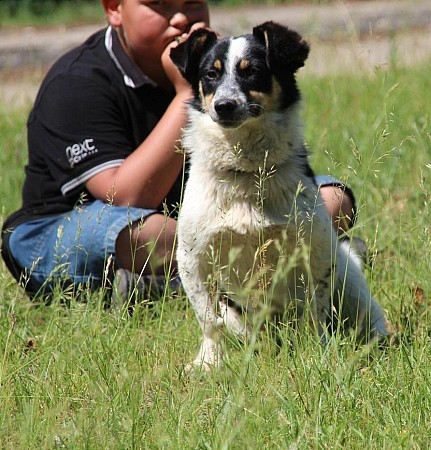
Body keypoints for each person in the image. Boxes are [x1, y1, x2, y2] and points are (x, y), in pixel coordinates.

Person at [1, 0, 357, 304]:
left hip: (189, 211)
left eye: (192, 3)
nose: (180, 18)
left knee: (330, 200)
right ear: (114, 8)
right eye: (159, 4)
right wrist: (185, 92)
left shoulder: (218, 62)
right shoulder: (75, 83)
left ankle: (188, 284)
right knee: (150, 233)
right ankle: (208, 284)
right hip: (69, 228)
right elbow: (125, 197)